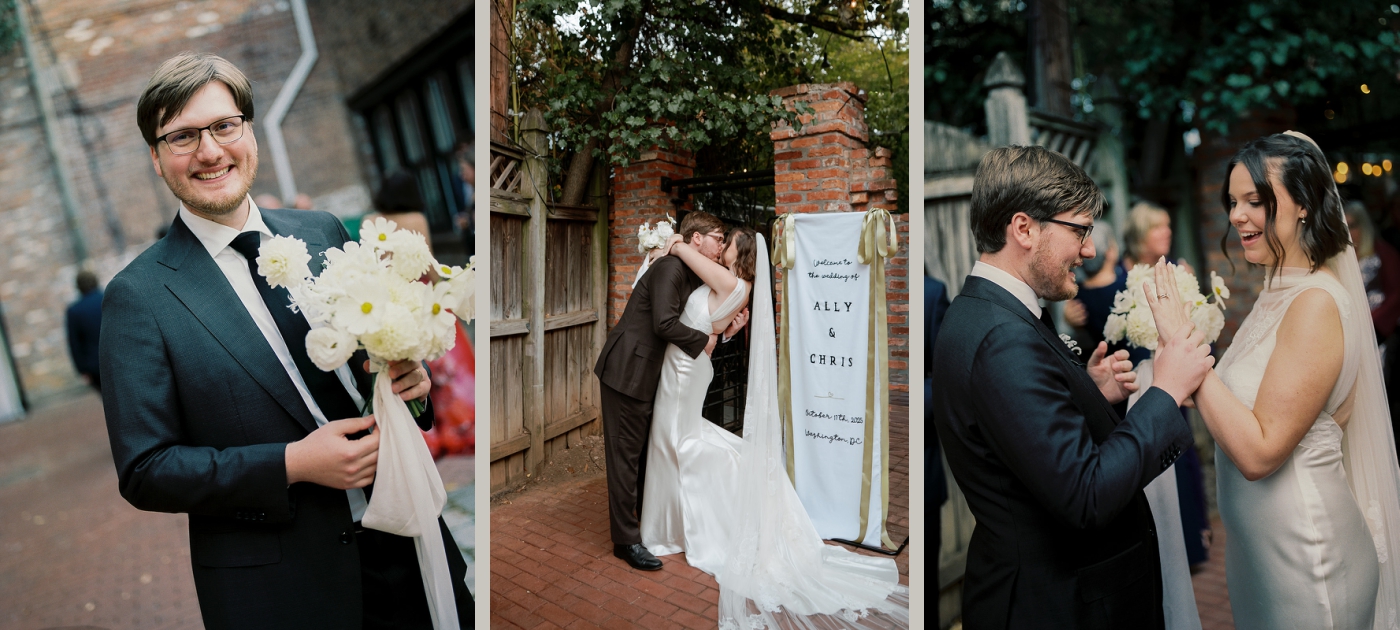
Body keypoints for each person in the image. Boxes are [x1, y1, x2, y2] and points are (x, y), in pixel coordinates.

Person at [99, 53, 472, 630]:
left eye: (224, 125)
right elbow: (146, 468)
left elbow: (368, 367)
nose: (210, 151)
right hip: (285, 586)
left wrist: (407, 381)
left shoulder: (321, 230)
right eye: (182, 136)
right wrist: (292, 464)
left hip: (407, 533)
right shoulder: (138, 297)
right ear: (155, 156)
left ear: (248, 129)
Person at [930, 145, 1215, 629]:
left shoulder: (983, 311)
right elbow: (1085, 494)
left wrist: (1089, 395)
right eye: (1079, 230)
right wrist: (1164, 392)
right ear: (1024, 229)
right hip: (1062, 606)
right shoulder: (1002, 338)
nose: (1088, 249)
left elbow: (1024, 438)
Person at [1149, 131, 1400, 629]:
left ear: (1304, 205)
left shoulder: (1315, 304)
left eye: (1256, 201)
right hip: (1261, 555)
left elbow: (1261, 452)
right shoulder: (1276, 293)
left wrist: (1182, 338)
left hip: (1307, 553)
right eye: (1233, 202)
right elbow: (1241, 405)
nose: (1237, 215)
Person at [644, 225, 909, 628]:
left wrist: (673, 241)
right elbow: (713, 331)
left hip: (682, 374)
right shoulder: (738, 287)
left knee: (675, 441)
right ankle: (672, 525)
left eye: (726, 240)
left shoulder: (731, 280)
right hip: (691, 367)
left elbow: (685, 256)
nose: (721, 246)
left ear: (739, 251)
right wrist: (730, 332)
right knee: (679, 439)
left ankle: (670, 530)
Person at [593, 210, 738, 570]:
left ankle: (639, 524)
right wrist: (704, 341)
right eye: (718, 238)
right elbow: (663, 323)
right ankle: (625, 542)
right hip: (628, 369)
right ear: (696, 239)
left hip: (648, 373)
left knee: (640, 454)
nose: (721, 246)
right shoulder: (671, 269)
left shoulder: (686, 271)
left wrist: (725, 331)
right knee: (626, 457)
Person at [65, 270, 103, 392]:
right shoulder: (108, 298)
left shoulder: (74, 310)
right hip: (120, 358)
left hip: (95, 366)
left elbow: (74, 343)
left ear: (78, 287)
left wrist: (81, 369)